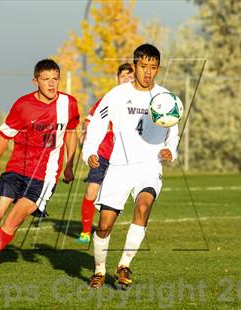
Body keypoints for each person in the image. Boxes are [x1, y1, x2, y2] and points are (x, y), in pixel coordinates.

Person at [0, 59, 79, 274]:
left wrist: (69, 165)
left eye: (55, 79)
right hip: (17, 170)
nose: (51, 84)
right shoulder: (22, 105)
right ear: (35, 81)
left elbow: (72, 133)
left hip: (44, 178)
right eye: (46, 79)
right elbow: (3, 135)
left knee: (13, 221)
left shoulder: (69, 104)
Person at [82, 44, 179, 288]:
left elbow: (174, 132)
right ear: (134, 65)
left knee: (143, 206)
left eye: (153, 67)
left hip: (149, 166)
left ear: (158, 69)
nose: (148, 72)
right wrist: (90, 152)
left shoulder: (166, 98)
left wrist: (171, 150)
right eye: (144, 66)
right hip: (119, 166)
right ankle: (100, 270)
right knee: (104, 225)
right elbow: (96, 124)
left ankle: (124, 264)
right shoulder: (117, 95)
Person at [77, 63, 134, 244]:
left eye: (131, 77)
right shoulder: (108, 99)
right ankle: (86, 232)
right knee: (91, 191)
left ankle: (105, 229)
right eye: (124, 76)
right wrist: (86, 134)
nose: (127, 79)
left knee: (112, 198)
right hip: (102, 155)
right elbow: (90, 121)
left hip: (123, 159)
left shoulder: (139, 104)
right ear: (117, 78)